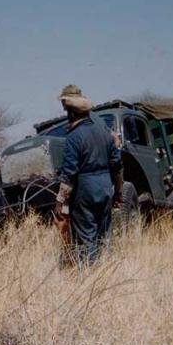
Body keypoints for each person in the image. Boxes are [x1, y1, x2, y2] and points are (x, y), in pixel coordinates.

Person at [53, 86, 124, 267]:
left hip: (86, 190)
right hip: (105, 187)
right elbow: (117, 166)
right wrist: (118, 193)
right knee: (103, 237)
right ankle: (106, 274)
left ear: (70, 112)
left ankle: (90, 281)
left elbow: (69, 174)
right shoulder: (104, 133)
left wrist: (60, 202)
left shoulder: (74, 136)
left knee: (86, 239)